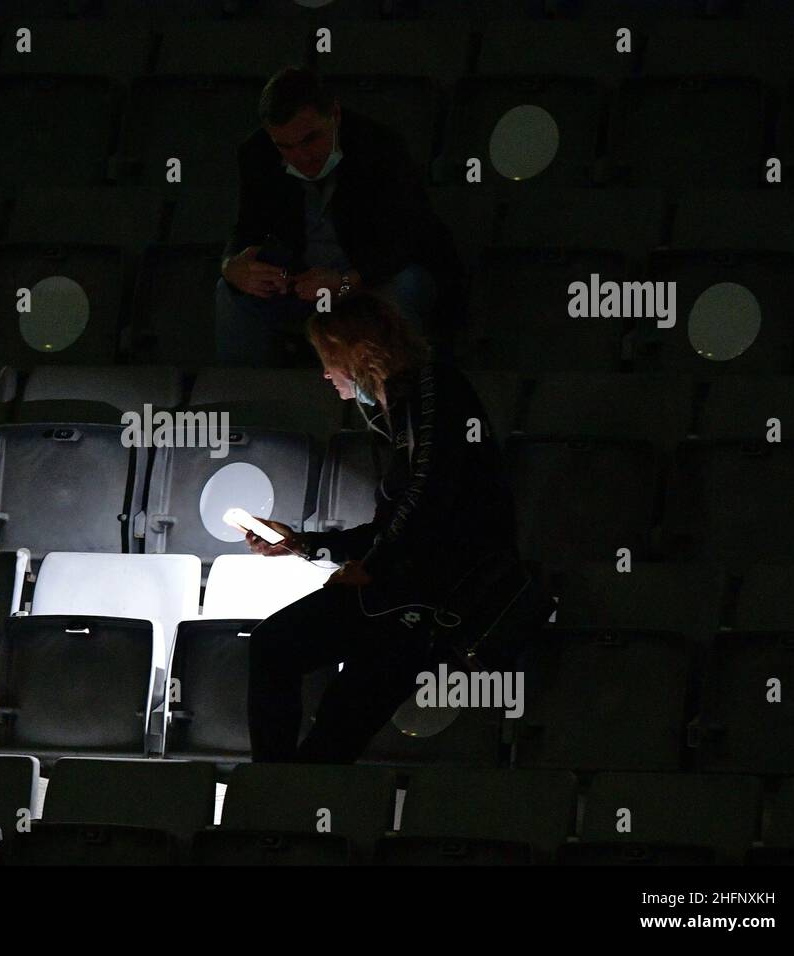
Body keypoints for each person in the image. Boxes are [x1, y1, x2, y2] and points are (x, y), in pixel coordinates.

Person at [242, 289, 521, 764]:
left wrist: (372, 565)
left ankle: (278, 800)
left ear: (356, 352)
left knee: (328, 719)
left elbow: (428, 500)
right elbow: (394, 521)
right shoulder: (400, 408)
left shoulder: (434, 388)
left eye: (328, 359)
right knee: (277, 652)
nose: (325, 374)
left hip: (433, 600)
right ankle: (275, 793)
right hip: (398, 590)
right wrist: (303, 543)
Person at [216, 64, 463, 368]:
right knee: (230, 294)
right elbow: (247, 226)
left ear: (334, 114)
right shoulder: (257, 153)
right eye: (285, 147)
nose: (301, 157)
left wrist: (347, 282)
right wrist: (232, 266)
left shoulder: (380, 146)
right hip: (303, 278)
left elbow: (409, 239)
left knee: (402, 290)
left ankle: (397, 398)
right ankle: (247, 396)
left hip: (374, 272)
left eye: (310, 139)